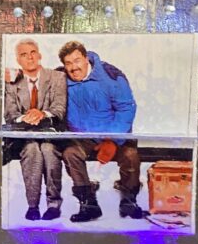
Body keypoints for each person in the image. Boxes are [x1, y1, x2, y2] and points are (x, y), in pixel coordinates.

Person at [58, 41, 144, 222]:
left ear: (86, 58)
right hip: (83, 138)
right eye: (68, 63)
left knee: (130, 155)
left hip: (114, 135)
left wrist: (112, 140)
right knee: (70, 153)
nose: (74, 67)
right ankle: (88, 203)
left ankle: (129, 199)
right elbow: (37, 78)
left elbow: (126, 109)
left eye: (77, 60)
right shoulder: (60, 77)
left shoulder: (111, 75)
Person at [4, 39, 67, 221]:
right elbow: (10, 114)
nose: (29, 57)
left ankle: (54, 204)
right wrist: (27, 117)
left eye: (33, 52)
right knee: (32, 151)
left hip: (50, 133)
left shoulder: (56, 77)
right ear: (18, 60)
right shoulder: (12, 80)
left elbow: (59, 109)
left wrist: (42, 113)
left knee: (48, 150)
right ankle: (33, 206)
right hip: (25, 136)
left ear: (39, 55)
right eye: (23, 54)